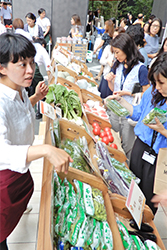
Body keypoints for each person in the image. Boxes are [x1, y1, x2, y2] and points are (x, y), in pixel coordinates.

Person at [0, 33, 72, 250]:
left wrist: (35, 98)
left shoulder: (18, 88)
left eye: (31, 63)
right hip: (4, 176)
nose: (31, 70)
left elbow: (19, 113)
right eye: (22, 64)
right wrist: (45, 149)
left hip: (19, 172)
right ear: (2, 68)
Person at [104, 51, 167, 215]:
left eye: (161, 82)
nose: (157, 87)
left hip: (160, 156)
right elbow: (138, 113)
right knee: (134, 190)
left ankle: (145, 227)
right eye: (154, 82)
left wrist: (163, 131)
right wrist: (121, 102)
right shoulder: (152, 92)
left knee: (149, 197)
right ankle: (132, 223)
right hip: (140, 148)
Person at [105, 33, 149, 161]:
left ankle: (127, 171)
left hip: (130, 113)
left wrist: (127, 94)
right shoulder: (117, 65)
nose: (116, 55)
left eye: (117, 52)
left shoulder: (141, 69)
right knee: (114, 142)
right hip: (115, 110)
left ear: (127, 49)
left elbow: (146, 94)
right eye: (114, 52)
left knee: (127, 147)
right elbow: (114, 90)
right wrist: (109, 81)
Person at [98, 27, 125, 99]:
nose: (114, 39)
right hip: (107, 76)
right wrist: (108, 62)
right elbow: (101, 61)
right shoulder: (108, 48)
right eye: (113, 37)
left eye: (116, 37)